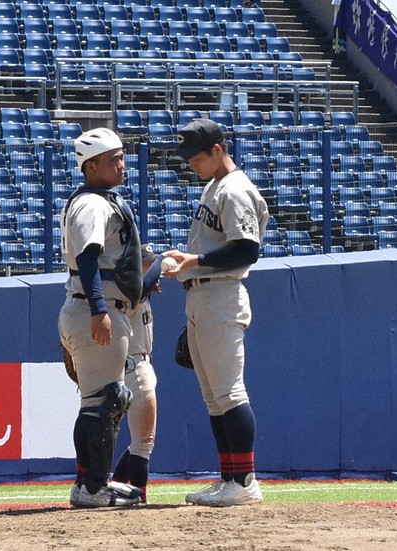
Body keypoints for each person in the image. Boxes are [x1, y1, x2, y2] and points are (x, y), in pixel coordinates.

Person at [161, 118, 269, 507]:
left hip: (221, 295)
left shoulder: (236, 190)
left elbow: (246, 249)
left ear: (218, 151)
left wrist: (196, 261)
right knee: (214, 398)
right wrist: (189, 263)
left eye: (196, 156)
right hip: (202, 295)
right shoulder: (214, 185)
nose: (191, 163)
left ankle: (244, 481)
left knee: (229, 392)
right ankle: (230, 478)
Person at [58, 127, 144, 508]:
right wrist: (99, 310)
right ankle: (93, 488)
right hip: (96, 308)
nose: (122, 164)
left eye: (122, 156)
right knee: (103, 402)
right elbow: (89, 258)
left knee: (103, 401)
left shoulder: (99, 199)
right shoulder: (92, 203)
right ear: (91, 167)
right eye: (114, 159)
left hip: (101, 305)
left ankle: (89, 484)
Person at [111, 245, 164, 504]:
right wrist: (163, 261)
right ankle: (139, 497)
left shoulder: (137, 290)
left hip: (137, 366)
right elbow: (144, 283)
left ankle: (117, 486)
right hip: (135, 367)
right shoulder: (128, 287)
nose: (151, 267)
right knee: (144, 442)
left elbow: (147, 285)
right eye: (147, 263)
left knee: (138, 442)